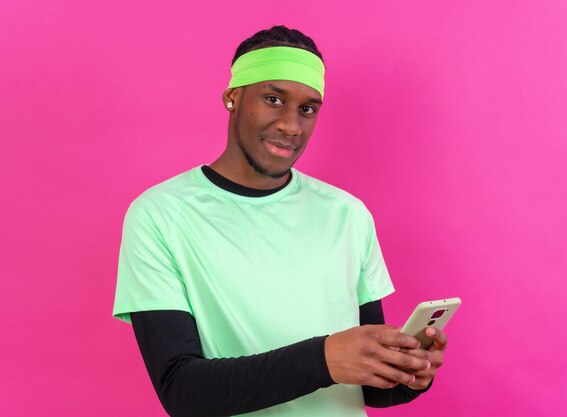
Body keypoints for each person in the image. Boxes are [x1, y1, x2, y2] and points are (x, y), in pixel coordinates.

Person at [112, 25, 448, 417]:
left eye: (308, 108)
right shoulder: (159, 214)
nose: (292, 125)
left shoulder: (347, 214)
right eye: (274, 99)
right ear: (233, 97)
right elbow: (182, 391)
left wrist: (409, 375)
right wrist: (324, 359)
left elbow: (369, 390)